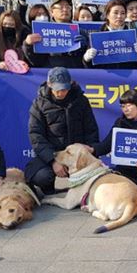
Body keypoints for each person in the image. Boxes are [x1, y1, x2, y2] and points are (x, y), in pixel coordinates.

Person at [25, 67, 99, 195]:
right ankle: (48, 190)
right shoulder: (39, 104)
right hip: (53, 154)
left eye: (64, 89)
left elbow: (91, 130)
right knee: (42, 176)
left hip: (76, 155)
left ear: (70, 84)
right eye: (57, 89)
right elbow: (36, 136)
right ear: (49, 84)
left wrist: (90, 152)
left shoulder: (81, 100)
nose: (61, 93)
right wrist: (53, 161)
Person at [22, 0, 89, 68]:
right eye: (61, 7)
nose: (65, 10)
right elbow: (37, 61)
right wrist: (28, 45)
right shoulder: (44, 32)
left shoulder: (81, 32)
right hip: (52, 74)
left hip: (77, 75)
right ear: (52, 12)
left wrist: (86, 47)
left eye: (67, 7)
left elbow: (89, 62)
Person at [82, 0, 137, 69]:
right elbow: (89, 67)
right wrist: (86, 59)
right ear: (107, 15)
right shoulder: (97, 36)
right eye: (116, 13)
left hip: (127, 78)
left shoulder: (132, 35)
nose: (119, 16)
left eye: (123, 13)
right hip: (105, 78)